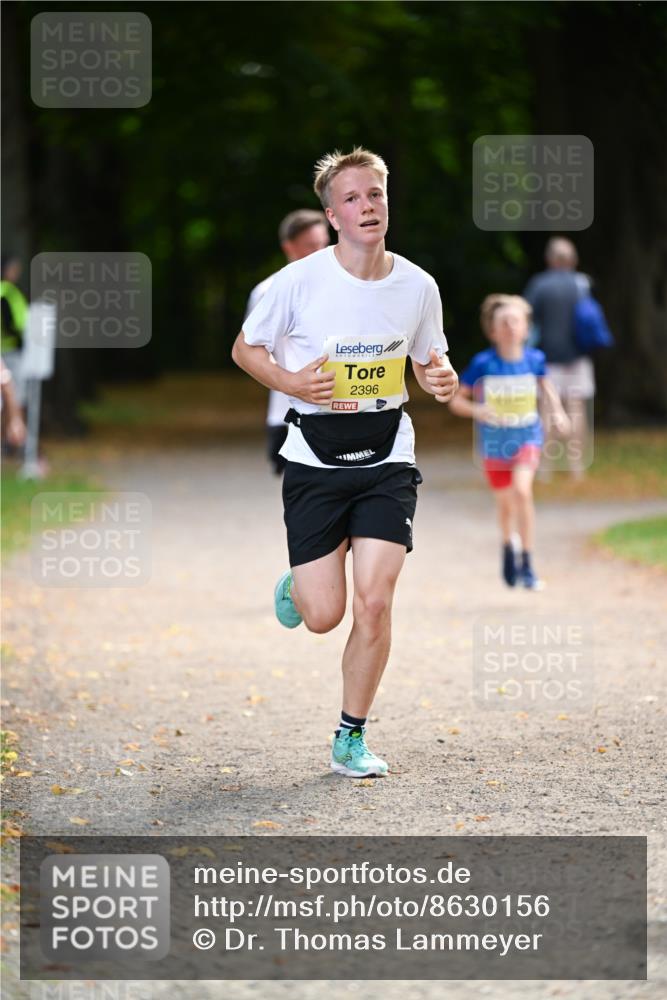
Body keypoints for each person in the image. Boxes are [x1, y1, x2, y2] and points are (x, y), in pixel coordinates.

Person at [232, 147, 458, 777]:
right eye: (353, 198)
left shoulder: (417, 284)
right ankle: (300, 589)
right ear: (332, 214)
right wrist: (290, 382)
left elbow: (430, 359)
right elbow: (244, 349)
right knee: (325, 616)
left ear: (388, 202)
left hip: (389, 456)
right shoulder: (297, 283)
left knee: (376, 603)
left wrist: (441, 378)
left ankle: (350, 735)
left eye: (376, 195)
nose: (367, 207)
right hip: (315, 458)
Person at [449, 294, 569, 590]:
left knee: (521, 491)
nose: (511, 327)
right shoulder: (483, 363)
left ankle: (527, 561)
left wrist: (558, 412)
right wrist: (479, 410)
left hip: (528, 438)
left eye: (516, 321)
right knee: (505, 506)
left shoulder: (534, 359)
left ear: (526, 328)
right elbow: (456, 401)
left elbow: (546, 386)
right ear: (492, 331)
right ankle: (508, 545)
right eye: (504, 322)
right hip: (494, 445)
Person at [244, 209, 330, 475]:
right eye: (311, 246)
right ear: (289, 247)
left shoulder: (343, 289)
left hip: (340, 413)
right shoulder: (267, 292)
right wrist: (290, 382)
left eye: (324, 244)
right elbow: (252, 353)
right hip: (287, 414)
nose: (320, 252)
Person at [523, 237, 593, 478]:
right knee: (576, 410)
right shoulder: (582, 283)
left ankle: (545, 468)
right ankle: (577, 467)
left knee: (547, 411)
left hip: (547, 360)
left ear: (550, 259)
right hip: (578, 357)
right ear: (573, 259)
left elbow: (527, 321)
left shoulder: (539, 285)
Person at [1, 255, 28, 408]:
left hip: (7, 349)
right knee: (13, 396)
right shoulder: (6, 291)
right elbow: (9, 321)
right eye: (14, 269)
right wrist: (19, 338)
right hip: (9, 350)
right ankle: (10, 428)